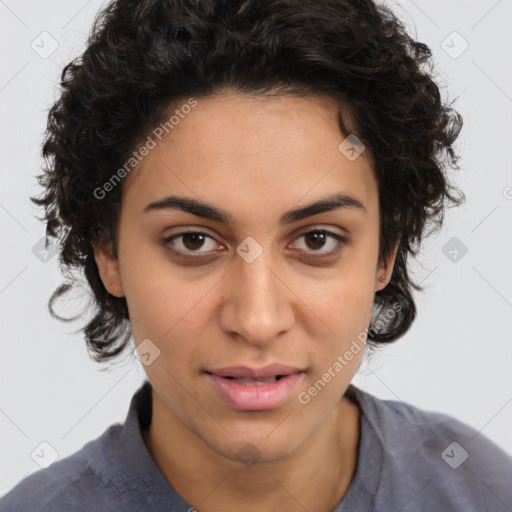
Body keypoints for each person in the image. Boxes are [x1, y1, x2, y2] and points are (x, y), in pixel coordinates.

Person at [1, 0, 511, 510]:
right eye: (193, 241)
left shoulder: (481, 489)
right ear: (107, 251)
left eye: (317, 240)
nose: (257, 320)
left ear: (386, 251)